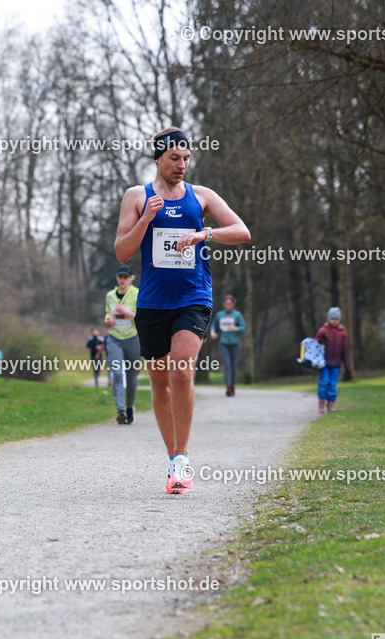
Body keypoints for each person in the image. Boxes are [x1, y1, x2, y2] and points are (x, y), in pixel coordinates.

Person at [114, 127, 251, 494]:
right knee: (159, 385)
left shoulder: (201, 196)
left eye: (187, 158)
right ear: (158, 158)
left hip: (194, 297)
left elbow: (242, 231)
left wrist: (205, 234)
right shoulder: (136, 196)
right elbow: (122, 253)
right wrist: (145, 219)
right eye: (174, 158)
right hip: (153, 303)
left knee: (180, 372)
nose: (182, 165)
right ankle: (172, 457)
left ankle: (183, 458)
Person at [104, 265, 141, 424]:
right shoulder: (110, 295)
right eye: (120, 277)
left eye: (125, 277)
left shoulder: (137, 293)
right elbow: (108, 313)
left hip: (133, 338)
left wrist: (126, 312)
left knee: (132, 377)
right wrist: (107, 321)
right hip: (114, 338)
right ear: (117, 278)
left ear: (131, 278)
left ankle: (129, 407)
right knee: (117, 374)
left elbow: (141, 317)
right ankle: (120, 410)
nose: (122, 280)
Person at [210, 295, 247, 396]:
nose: (228, 306)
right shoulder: (219, 315)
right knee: (227, 365)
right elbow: (214, 325)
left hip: (235, 343)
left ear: (233, 304)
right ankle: (228, 388)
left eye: (230, 304)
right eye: (226, 304)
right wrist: (212, 332)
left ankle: (232, 385)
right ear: (224, 304)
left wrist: (236, 328)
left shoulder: (237, 315)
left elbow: (243, 327)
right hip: (223, 343)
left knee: (233, 367)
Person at [315, 307, 350, 414]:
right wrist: (320, 340)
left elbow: (345, 349)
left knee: (332, 384)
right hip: (324, 362)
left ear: (339, 320)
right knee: (324, 381)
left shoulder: (342, 333)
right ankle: (321, 403)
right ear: (329, 319)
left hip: (336, 363)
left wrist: (347, 363)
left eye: (336, 319)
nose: (334, 321)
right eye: (332, 318)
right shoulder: (323, 330)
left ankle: (330, 405)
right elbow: (315, 346)